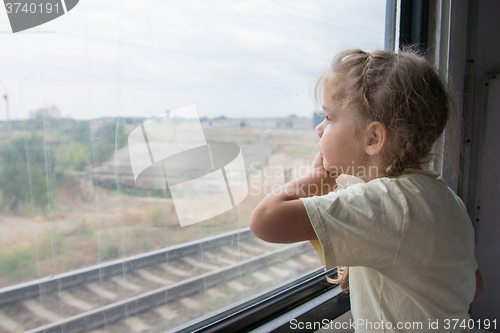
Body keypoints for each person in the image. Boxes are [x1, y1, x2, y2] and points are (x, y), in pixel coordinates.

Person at [250, 49, 483, 332]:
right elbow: (473, 288)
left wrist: (319, 177)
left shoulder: (387, 203)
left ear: (373, 138)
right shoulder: (445, 199)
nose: (319, 130)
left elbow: (265, 220)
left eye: (329, 118)